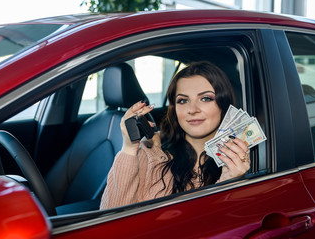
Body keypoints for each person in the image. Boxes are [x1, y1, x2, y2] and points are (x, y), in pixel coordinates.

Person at [100, 61, 250, 209]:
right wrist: (128, 148)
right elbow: (108, 222)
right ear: (175, 109)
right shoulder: (150, 150)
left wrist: (227, 182)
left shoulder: (239, 160)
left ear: (223, 105)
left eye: (205, 98)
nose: (192, 109)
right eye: (183, 100)